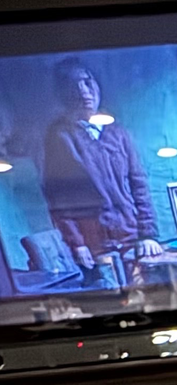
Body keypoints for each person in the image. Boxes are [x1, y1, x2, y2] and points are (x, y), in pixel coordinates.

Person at [41, 58, 162, 287]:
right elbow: (58, 199)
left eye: (88, 82)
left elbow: (138, 185)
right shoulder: (60, 137)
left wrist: (147, 235)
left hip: (131, 238)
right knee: (111, 295)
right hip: (95, 246)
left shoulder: (117, 132)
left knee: (145, 293)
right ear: (63, 94)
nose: (84, 92)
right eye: (74, 85)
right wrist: (77, 243)